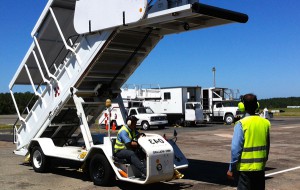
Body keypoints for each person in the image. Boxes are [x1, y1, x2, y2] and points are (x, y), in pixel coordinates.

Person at [227, 93, 271, 190]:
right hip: (260, 168)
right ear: (257, 105)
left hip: (244, 170)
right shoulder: (265, 123)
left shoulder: (241, 124)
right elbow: (267, 146)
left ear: (243, 106)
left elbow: (235, 149)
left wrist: (231, 168)